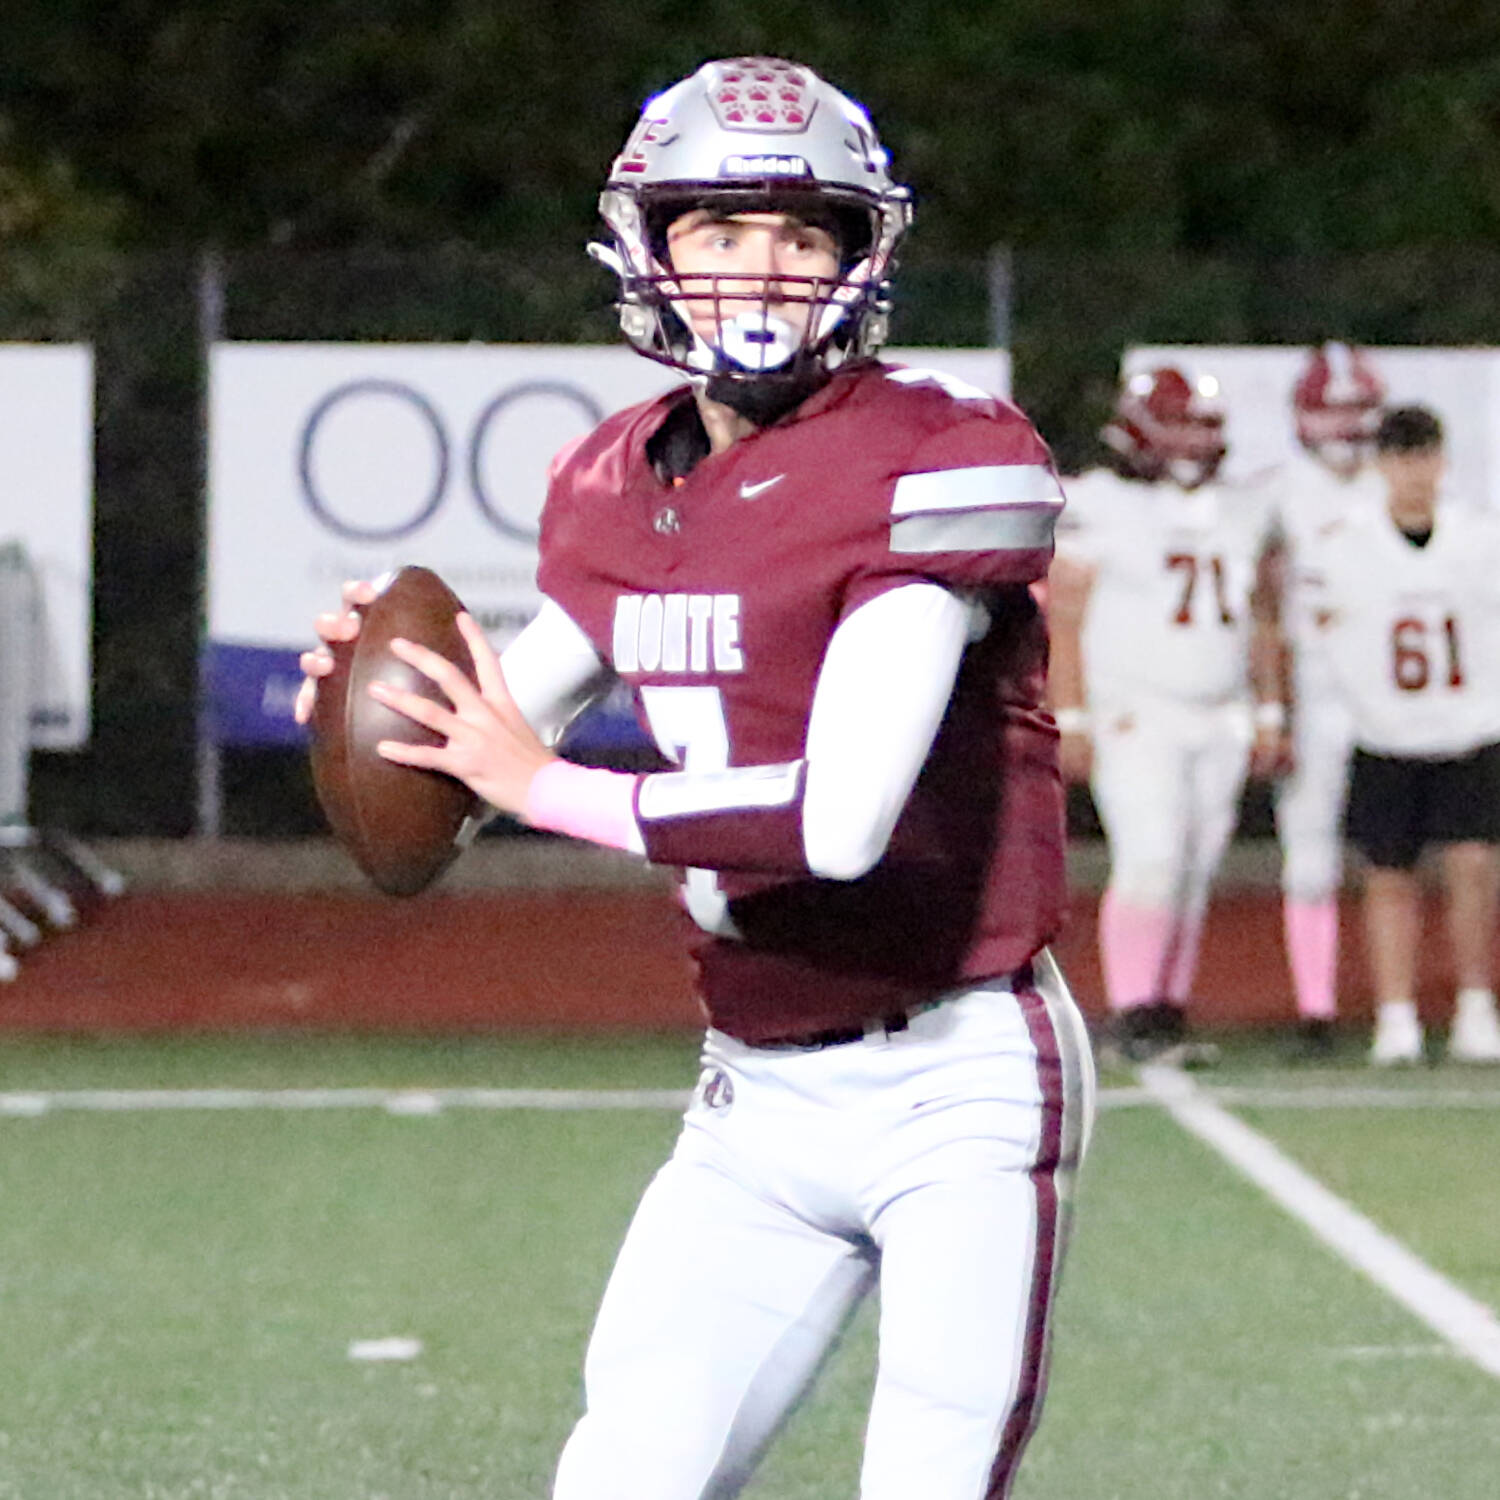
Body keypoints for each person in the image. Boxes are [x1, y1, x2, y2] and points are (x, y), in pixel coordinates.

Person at [298, 57, 1095, 1500]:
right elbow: (466, 771)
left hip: (959, 1077)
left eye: (802, 236)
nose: (762, 273)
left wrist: (537, 782)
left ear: (864, 256)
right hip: (756, 1098)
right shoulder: (615, 482)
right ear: (648, 249)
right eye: (720, 232)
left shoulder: (935, 457)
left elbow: (836, 823)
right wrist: (384, 722)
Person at [1047, 367, 1287, 1060]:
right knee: (1150, 856)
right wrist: (1072, 716)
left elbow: (1264, 615)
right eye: (1181, 423)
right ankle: (1132, 1008)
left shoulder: (1246, 508)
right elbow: (1066, 615)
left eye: (1205, 425)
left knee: (1196, 864)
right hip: (1135, 709)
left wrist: (1269, 709)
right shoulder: (1102, 502)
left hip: (1221, 710)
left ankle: (1165, 1008)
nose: (1195, 439)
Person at [1302, 404, 1500, 1065]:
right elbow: (1324, 637)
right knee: (1389, 876)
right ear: (1382, 465)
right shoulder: (1346, 543)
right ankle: (1396, 1015)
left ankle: (1475, 1006)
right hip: (1384, 730)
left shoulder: (1479, 537)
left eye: (1425, 458)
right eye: (1402, 459)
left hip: (1468, 727)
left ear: (1443, 462)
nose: (1415, 473)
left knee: (1474, 867)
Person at [1270, 343, 1387, 1056]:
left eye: (1356, 412)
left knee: (1393, 852)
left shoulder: (1397, 484)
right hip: (1314, 688)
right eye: (1333, 412)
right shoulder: (1277, 493)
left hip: (1387, 693)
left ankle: (1396, 1007)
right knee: (1309, 855)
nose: (1345, 428)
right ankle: (1316, 1008)